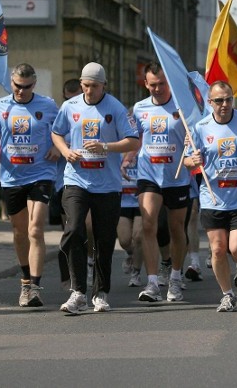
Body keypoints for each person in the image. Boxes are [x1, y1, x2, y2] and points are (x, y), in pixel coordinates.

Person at [52, 62, 140, 314]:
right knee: (74, 229)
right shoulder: (70, 107)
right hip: (76, 180)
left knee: (103, 239)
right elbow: (57, 133)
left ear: (104, 85)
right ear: (81, 83)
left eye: (94, 86)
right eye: (85, 85)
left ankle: (100, 292)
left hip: (107, 184)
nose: (89, 91)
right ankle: (77, 291)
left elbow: (132, 141)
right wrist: (65, 150)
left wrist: (106, 147)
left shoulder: (115, 108)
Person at [184, 81, 237, 312]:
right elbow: (186, 160)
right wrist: (191, 161)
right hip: (213, 196)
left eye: (228, 99)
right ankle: (227, 294)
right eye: (219, 100)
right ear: (210, 102)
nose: (225, 104)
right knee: (218, 249)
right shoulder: (200, 127)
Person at [0, 62, 59, 307]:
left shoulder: (48, 106)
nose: (21, 91)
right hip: (12, 176)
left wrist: (57, 146)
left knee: (35, 229)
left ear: (34, 84)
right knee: (19, 232)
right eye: (17, 86)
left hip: (41, 173)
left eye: (26, 87)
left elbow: (62, 131)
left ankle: (34, 287)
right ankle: (25, 281)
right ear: (11, 82)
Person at [132, 61, 191, 304]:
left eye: (162, 84)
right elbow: (134, 138)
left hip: (176, 176)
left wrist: (191, 140)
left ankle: (175, 277)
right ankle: (153, 282)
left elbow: (197, 135)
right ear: (146, 84)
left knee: (177, 229)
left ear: (169, 83)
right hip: (148, 174)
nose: (157, 89)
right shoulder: (139, 108)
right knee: (148, 224)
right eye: (152, 85)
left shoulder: (183, 107)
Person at [54, 79, 96, 291]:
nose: (72, 102)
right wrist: (59, 149)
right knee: (70, 229)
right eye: (67, 98)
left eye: (75, 97)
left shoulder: (93, 113)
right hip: (63, 182)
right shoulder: (64, 112)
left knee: (86, 226)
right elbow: (53, 135)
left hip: (89, 179)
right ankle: (70, 278)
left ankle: (89, 261)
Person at [119, 151, 144, 287]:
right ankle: (130, 253)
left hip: (141, 198)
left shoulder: (143, 148)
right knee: (124, 240)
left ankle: (136, 273)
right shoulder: (116, 148)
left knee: (139, 237)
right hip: (123, 200)